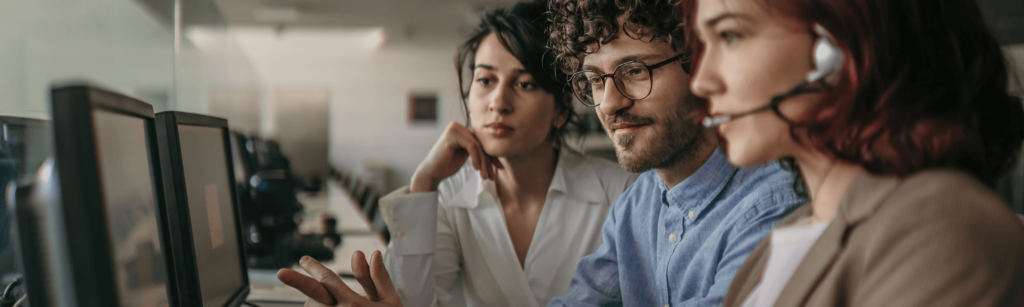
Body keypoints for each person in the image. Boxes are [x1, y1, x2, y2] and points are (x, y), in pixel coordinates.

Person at [277, 1, 639, 306]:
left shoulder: (622, 194)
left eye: (525, 83)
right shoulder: (449, 197)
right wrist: (424, 182)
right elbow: (410, 301)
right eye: (485, 80)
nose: (498, 102)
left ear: (561, 108)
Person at [685, 0, 1024, 305]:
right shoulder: (780, 242)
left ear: (835, 45)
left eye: (729, 36)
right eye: (704, 43)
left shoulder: (943, 227)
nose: (700, 82)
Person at [543, 0, 802, 305]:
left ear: (701, 66)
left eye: (635, 70)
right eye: (596, 80)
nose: (610, 104)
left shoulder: (774, 204)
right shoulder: (633, 207)